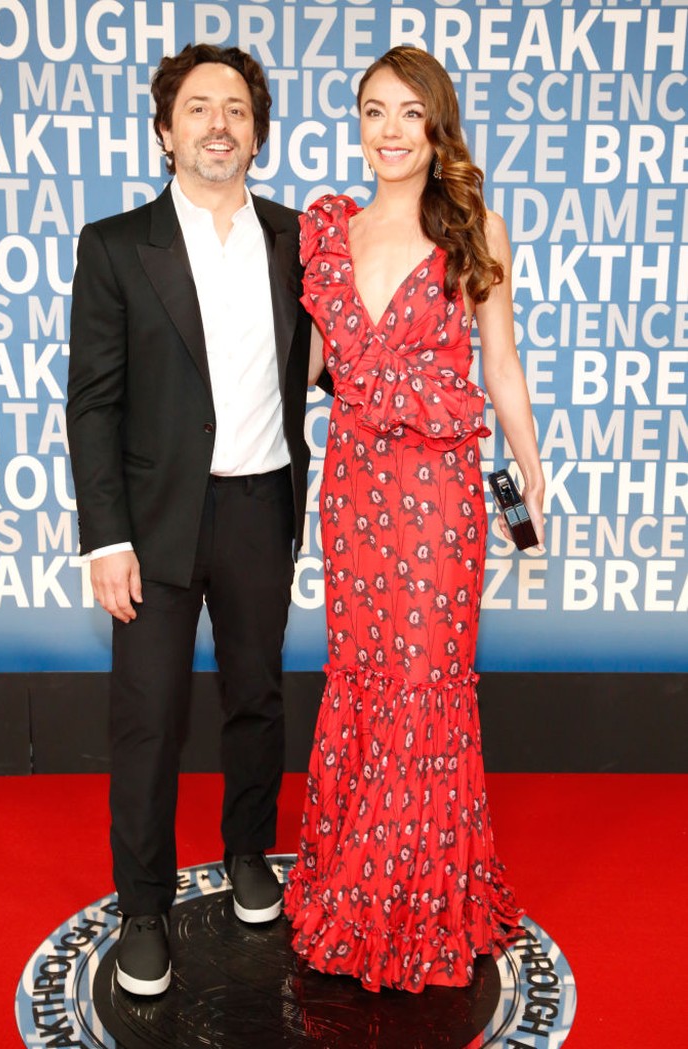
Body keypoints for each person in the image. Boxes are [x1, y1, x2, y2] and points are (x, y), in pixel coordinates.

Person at [284, 46, 545, 993]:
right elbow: (312, 363)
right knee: (364, 673)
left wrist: (530, 465)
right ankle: (353, 881)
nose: (390, 132)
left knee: (425, 679)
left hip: (439, 490)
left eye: (409, 113)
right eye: (373, 112)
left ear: (438, 127)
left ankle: (421, 900)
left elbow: (500, 361)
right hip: (355, 485)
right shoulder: (328, 229)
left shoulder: (474, 226)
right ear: (358, 125)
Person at [66, 44, 312, 996]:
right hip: (154, 521)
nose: (220, 124)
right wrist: (107, 536)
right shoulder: (116, 245)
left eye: (237, 109)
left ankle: (249, 850)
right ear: (166, 132)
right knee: (149, 717)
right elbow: (94, 402)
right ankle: (143, 906)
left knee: (257, 696)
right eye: (200, 108)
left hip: (260, 504)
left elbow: (336, 356)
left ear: (257, 132)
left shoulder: (298, 239)